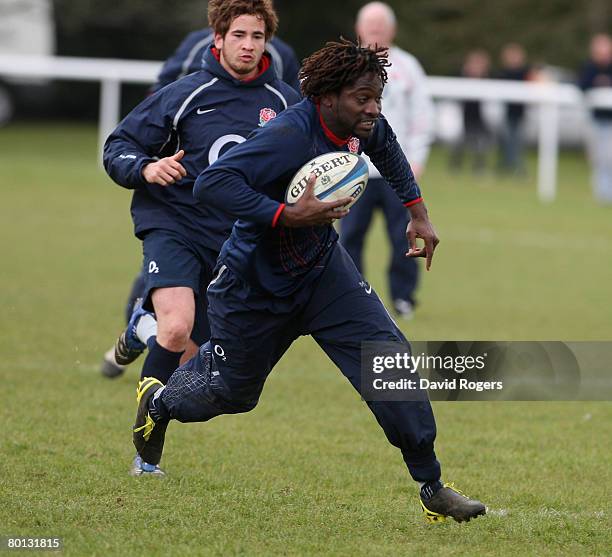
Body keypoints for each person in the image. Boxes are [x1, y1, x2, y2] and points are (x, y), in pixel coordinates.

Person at [131, 38, 486, 523]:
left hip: (322, 273)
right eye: (363, 98)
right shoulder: (288, 135)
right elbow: (213, 182)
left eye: (377, 97)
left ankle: (432, 487)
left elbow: (389, 148)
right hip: (253, 285)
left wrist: (417, 213)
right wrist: (285, 214)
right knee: (232, 395)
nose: (373, 109)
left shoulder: (363, 125)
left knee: (390, 365)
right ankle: (161, 402)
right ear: (327, 97)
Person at [103, 0, 300, 473]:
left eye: (257, 37)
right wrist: (148, 167)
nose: (248, 46)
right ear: (218, 38)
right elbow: (118, 147)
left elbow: (304, 166)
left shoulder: (287, 104)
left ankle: (138, 328)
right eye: (239, 36)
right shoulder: (185, 92)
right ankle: (146, 455)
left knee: (193, 356)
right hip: (175, 224)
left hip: (236, 244)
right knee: (175, 327)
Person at [340, 2, 434, 320]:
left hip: (398, 172)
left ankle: (404, 297)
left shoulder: (408, 67)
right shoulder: (344, 66)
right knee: (349, 237)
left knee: (403, 236)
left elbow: (423, 116)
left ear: (392, 30)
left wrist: (416, 161)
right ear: (358, 28)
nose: (376, 30)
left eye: (381, 25)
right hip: (353, 172)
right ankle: (352, 297)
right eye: (370, 24)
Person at [579, 33, 612, 205]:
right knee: (598, 158)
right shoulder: (589, 66)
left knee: (610, 157)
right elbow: (582, 86)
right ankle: (602, 194)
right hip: (596, 119)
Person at [449, 49, 492, 174]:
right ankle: (455, 167)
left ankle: (479, 168)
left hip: (480, 119)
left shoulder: (487, 80)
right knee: (459, 144)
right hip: (463, 118)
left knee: (480, 145)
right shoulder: (461, 77)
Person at [496, 43, 531, 175]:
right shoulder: (502, 73)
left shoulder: (525, 72)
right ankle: (506, 166)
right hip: (506, 113)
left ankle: (518, 167)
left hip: (520, 113)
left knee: (518, 142)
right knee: (506, 140)